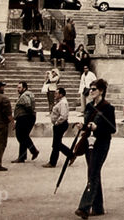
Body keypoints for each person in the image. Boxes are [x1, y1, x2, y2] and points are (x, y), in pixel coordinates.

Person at [76, 78, 116, 219]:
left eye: (94, 89)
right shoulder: (88, 107)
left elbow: (112, 128)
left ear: (101, 91)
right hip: (89, 142)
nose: (91, 91)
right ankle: (98, 207)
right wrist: (83, 126)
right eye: (90, 89)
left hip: (102, 143)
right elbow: (87, 123)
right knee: (93, 172)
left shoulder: (108, 108)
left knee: (93, 172)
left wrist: (97, 128)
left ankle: (84, 207)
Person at [43, 87, 72, 168]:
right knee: (57, 144)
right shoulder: (60, 102)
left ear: (61, 94)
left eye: (56, 93)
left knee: (56, 144)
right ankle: (71, 155)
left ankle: (53, 162)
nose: (54, 95)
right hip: (59, 124)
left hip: (60, 125)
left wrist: (57, 122)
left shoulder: (63, 103)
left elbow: (63, 115)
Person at [12, 81, 39, 162]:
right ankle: (22, 156)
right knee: (23, 136)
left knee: (21, 136)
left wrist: (29, 114)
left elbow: (28, 105)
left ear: (24, 88)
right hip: (27, 117)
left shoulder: (24, 95)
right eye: (18, 87)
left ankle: (33, 151)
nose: (18, 89)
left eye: (19, 88)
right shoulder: (29, 94)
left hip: (24, 117)